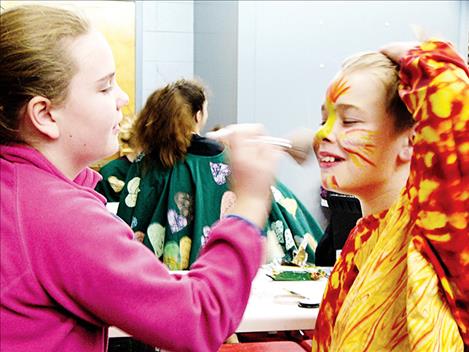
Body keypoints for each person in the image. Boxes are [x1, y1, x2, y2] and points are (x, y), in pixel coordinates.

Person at [0, 5, 281, 352]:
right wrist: (251, 202)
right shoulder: (57, 216)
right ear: (44, 114)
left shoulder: (17, 190)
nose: (123, 98)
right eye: (104, 88)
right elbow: (200, 317)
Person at [312, 40, 468, 350]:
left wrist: (416, 57)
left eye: (349, 121)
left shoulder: (433, 235)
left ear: (413, 140)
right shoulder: (363, 237)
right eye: (324, 120)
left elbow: (453, 102)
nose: (324, 134)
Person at [101, 79, 322, 269]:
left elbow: (129, 218)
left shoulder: (147, 162)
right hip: (220, 269)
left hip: (157, 276)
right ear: (198, 115)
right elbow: (272, 203)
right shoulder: (226, 160)